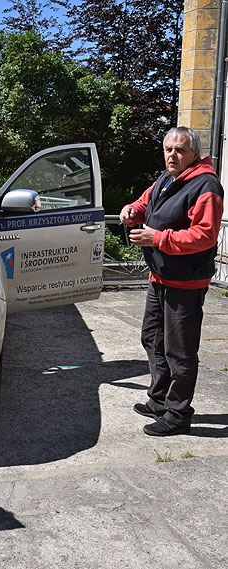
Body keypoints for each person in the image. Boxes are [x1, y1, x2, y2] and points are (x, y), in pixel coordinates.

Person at [120, 126, 224, 436]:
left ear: (194, 153)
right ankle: (160, 400)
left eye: (179, 150)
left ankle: (178, 414)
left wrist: (158, 238)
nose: (172, 155)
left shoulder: (206, 185)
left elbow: (204, 236)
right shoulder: (167, 178)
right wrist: (131, 211)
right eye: (168, 149)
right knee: (152, 339)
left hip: (186, 283)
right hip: (161, 276)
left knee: (180, 351)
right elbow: (145, 202)